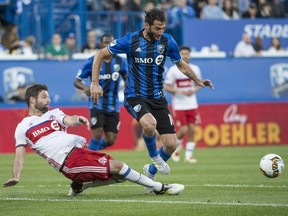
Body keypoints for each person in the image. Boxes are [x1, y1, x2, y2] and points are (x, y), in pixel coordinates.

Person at [90, 9, 213, 193]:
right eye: (156, 28)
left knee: (172, 144)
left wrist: (197, 80)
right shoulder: (131, 40)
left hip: (158, 98)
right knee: (149, 124)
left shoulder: (167, 41)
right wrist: (94, 83)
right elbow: (100, 54)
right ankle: (155, 157)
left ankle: (151, 170)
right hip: (135, 96)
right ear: (146, 25)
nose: (160, 32)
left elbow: (180, 63)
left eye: (162, 28)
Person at [2, 84, 185, 196]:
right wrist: (16, 176)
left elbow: (68, 119)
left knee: (120, 177)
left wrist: (77, 119)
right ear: (32, 100)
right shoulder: (23, 127)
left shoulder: (53, 114)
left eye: (48, 96)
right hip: (68, 161)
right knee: (119, 166)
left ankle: (80, 186)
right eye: (44, 97)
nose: (48, 100)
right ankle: (159, 187)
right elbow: (19, 156)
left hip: (80, 151)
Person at [74, 34, 128, 150]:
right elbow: (77, 81)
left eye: (111, 42)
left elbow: (127, 77)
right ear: (100, 44)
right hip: (96, 103)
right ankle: (90, 160)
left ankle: (89, 150)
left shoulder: (120, 61)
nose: (108, 45)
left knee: (111, 140)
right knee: (97, 133)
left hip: (113, 106)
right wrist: (85, 88)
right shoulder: (93, 61)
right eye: (105, 42)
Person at [164, 45, 202, 163]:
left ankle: (189, 155)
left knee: (192, 130)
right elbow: (165, 86)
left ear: (190, 55)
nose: (185, 55)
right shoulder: (173, 70)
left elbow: (199, 83)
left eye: (187, 53)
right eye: (183, 53)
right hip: (179, 104)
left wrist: (193, 90)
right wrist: (177, 91)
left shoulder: (195, 68)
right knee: (183, 129)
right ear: (179, 55)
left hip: (192, 104)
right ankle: (176, 149)